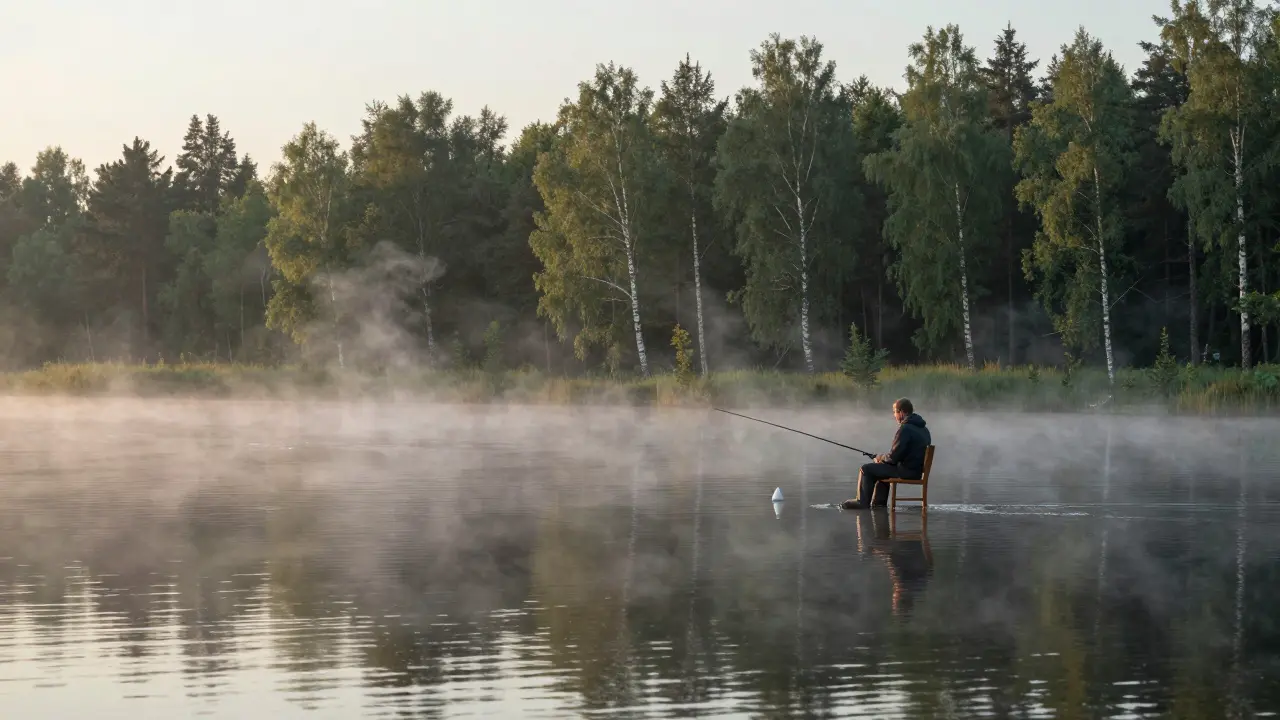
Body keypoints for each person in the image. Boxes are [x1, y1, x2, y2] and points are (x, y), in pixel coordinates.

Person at [841, 398, 930, 510]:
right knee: (880, 470)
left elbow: (893, 458)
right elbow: (899, 455)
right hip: (915, 471)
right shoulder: (923, 429)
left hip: (906, 471)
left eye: (895, 412)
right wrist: (882, 459)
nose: (894, 416)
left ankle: (861, 502)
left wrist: (880, 458)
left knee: (866, 469)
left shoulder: (905, 429)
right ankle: (879, 505)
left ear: (901, 412)